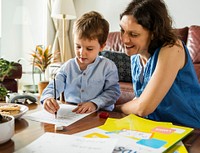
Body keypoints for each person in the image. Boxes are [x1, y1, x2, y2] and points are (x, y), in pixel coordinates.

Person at [115, 0, 200, 128]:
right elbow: (140, 98)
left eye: (133, 34)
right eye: (122, 30)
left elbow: (143, 107)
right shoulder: (136, 55)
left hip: (189, 128)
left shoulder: (172, 48)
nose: (124, 39)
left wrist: (115, 108)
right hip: (157, 127)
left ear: (154, 33)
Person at [40, 11, 120, 114]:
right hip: (72, 113)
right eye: (78, 46)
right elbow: (54, 86)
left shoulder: (108, 66)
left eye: (89, 48)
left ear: (102, 46)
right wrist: (48, 98)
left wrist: (94, 103)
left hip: (99, 113)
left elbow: (113, 92)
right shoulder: (68, 66)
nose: (82, 53)